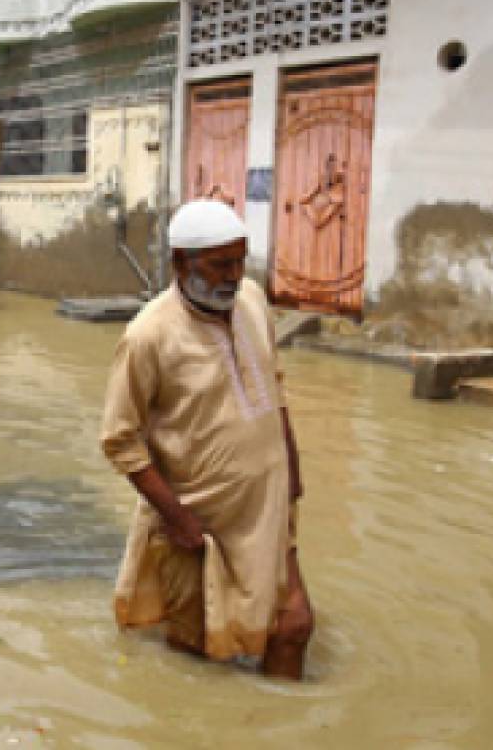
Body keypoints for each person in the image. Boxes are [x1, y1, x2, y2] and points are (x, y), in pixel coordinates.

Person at [99, 199, 313, 677]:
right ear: (180, 262)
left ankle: (281, 726)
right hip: (200, 527)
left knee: (292, 628)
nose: (233, 276)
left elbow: (274, 386)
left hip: (267, 511)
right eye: (219, 265)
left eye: (240, 261)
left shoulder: (253, 302)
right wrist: (176, 519)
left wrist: (292, 469)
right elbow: (119, 439)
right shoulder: (148, 336)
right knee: (200, 652)